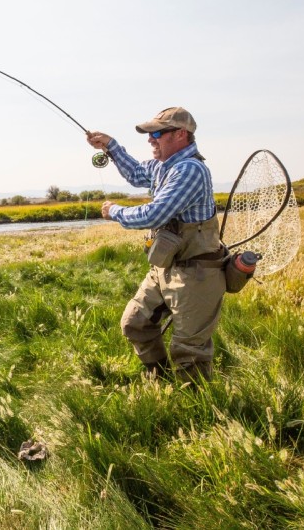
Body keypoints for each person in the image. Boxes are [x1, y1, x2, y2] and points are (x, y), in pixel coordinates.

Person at [86, 106, 226, 384]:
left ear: (181, 134)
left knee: (189, 351)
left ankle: (196, 412)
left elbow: (154, 214)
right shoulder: (165, 166)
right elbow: (137, 173)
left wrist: (115, 211)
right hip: (166, 267)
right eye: (149, 134)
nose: (151, 139)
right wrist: (111, 147)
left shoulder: (189, 170)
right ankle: (161, 382)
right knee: (135, 324)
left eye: (157, 133)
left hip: (195, 274)